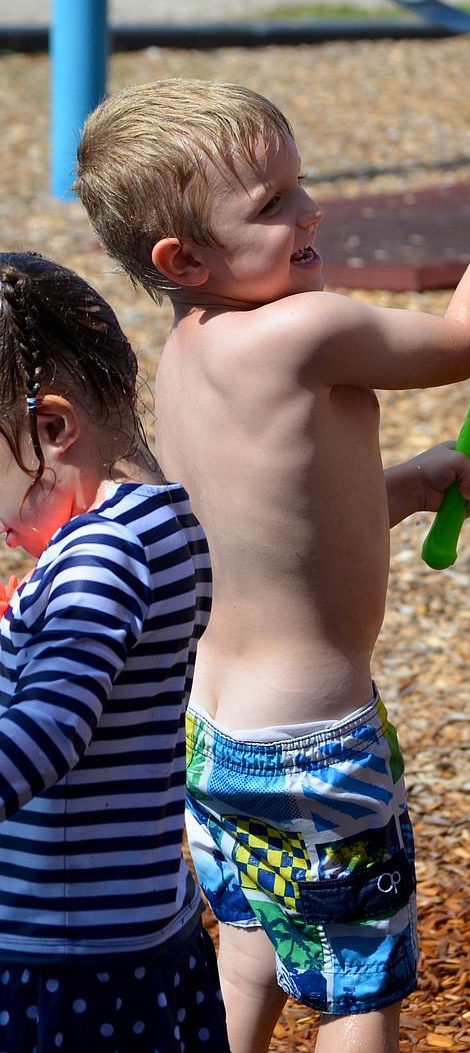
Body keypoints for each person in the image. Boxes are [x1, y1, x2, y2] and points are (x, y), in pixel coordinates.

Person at [73, 77, 470, 1053]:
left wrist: (401, 483)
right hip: (313, 744)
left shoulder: (184, 358)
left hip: (213, 739)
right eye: (272, 205)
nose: (312, 210)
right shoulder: (307, 329)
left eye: (301, 185)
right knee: (357, 988)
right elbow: (468, 337)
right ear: (185, 255)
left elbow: (275, 534)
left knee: (253, 935)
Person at [0, 251, 230, 1053]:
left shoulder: (98, 557)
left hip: (65, 959)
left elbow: (49, 730)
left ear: (53, 428)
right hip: (140, 930)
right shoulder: (163, 523)